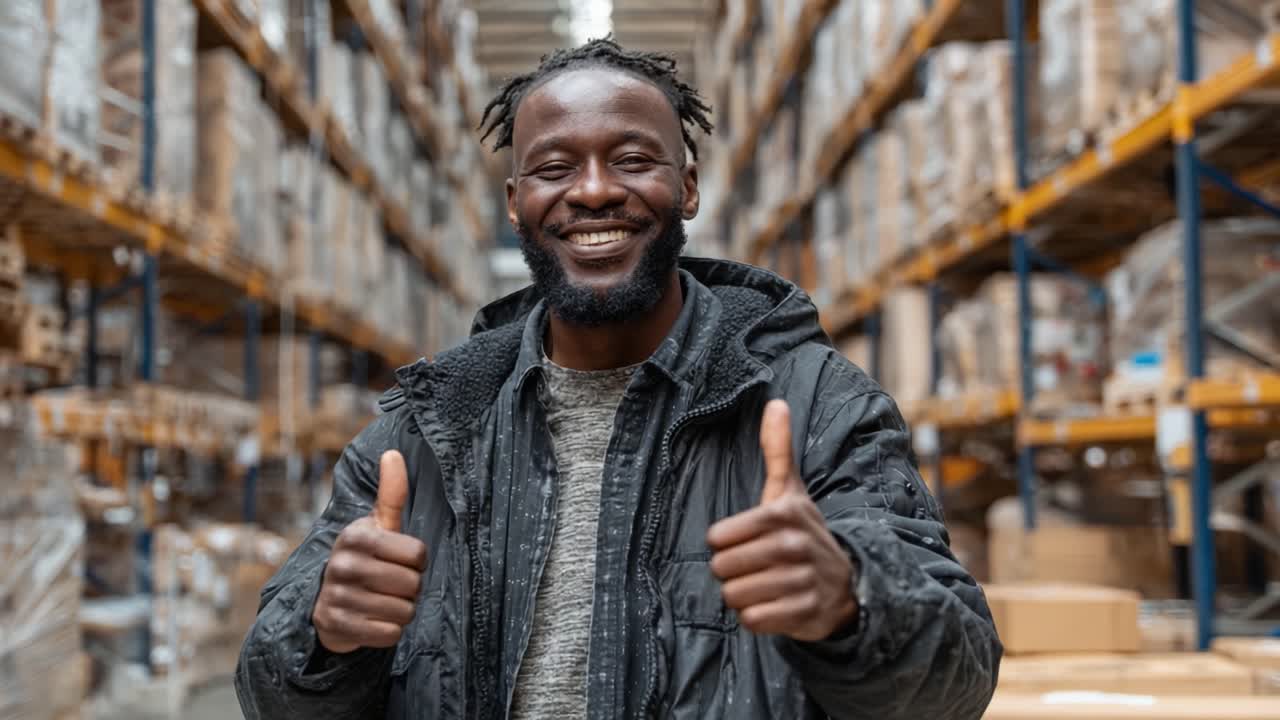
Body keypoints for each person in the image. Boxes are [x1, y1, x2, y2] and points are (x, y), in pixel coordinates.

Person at [235, 38, 1001, 720]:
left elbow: (958, 684)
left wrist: (853, 601)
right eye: (554, 167)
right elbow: (268, 692)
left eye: (632, 160)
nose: (594, 190)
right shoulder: (423, 434)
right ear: (515, 203)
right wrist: (328, 636)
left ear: (688, 187)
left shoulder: (817, 409)